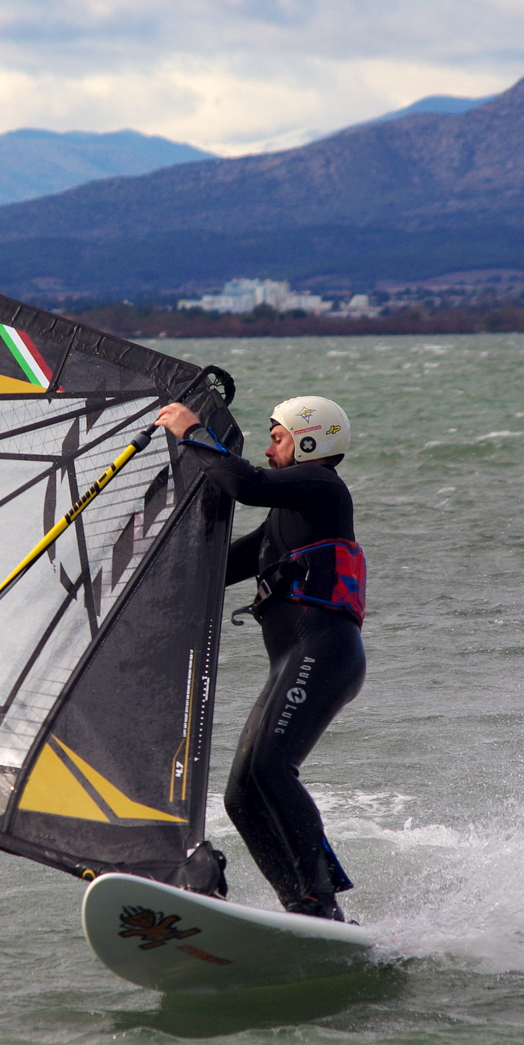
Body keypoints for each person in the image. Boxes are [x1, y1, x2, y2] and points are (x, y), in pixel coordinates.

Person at [154, 395, 366, 921]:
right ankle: (300, 905)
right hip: (295, 658)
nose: (270, 449)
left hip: (325, 650)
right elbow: (215, 570)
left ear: (308, 442)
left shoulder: (322, 487)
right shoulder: (284, 522)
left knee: (272, 768)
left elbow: (246, 484)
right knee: (242, 796)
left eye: (277, 438)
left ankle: (319, 897)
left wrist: (193, 431)